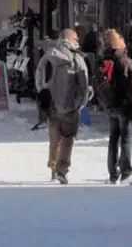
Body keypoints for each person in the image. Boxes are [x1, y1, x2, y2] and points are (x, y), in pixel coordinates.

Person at [37, 28, 91, 184]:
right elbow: (83, 84)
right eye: (76, 39)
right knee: (68, 138)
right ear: (69, 40)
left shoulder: (48, 56)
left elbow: (39, 75)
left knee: (54, 138)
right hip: (70, 107)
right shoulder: (77, 59)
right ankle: (62, 169)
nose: (78, 42)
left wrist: (43, 93)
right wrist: (79, 103)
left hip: (51, 106)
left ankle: (53, 169)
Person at [96, 28, 132, 184]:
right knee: (126, 139)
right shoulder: (125, 61)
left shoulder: (103, 61)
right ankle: (126, 173)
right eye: (120, 38)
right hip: (126, 107)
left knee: (113, 139)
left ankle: (113, 174)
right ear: (118, 43)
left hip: (111, 106)